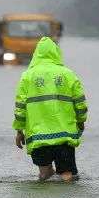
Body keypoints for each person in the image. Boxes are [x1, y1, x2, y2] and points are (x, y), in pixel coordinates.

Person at [12, 36, 88, 182]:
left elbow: (20, 107)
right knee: (67, 175)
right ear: (56, 52)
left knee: (44, 175)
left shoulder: (27, 77)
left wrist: (19, 131)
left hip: (39, 138)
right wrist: (81, 120)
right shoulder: (68, 74)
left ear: (36, 54)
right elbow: (80, 103)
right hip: (64, 137)